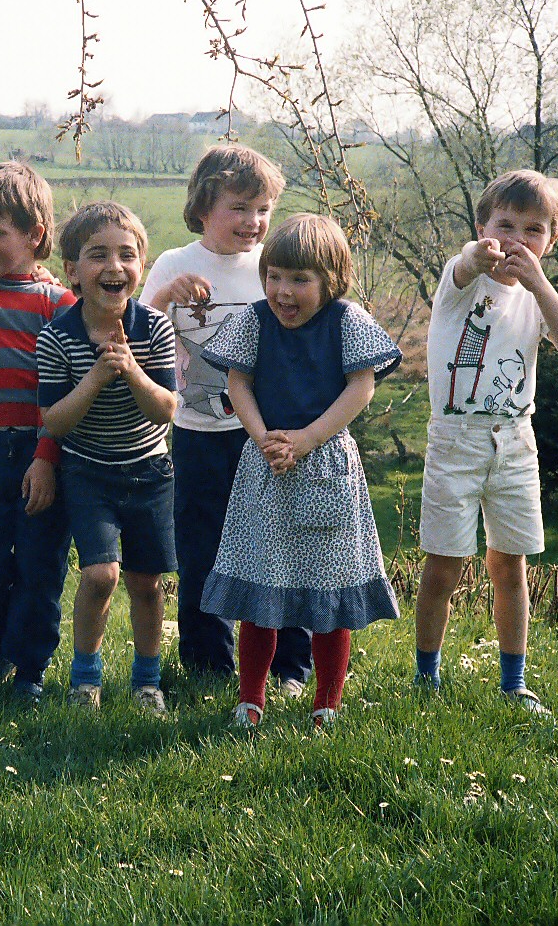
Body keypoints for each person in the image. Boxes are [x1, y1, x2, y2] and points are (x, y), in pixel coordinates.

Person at [201, 213, 402, 728]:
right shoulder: (252, 320)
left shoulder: (347, 320)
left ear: (331, 281)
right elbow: (238, 384)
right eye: (274, 276)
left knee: (330, 596)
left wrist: (309, 438)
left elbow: (362, 387)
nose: (283, 291)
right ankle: (250, 699)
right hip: (264, 468)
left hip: (326, 466)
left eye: (299, 280)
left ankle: (326, 703)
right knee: (258, 589)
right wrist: (262, 436)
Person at [414, 170, 558, 714]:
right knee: (444, 564)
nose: (517, 239)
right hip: (456, 440)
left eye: (534, 230)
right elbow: (466, 262)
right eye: (505, 225)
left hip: (515, 442)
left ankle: (513, 681)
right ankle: (427, 675)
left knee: (509, 565)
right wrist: (477, 254)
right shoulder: (460, 280)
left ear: (551, 241)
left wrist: (540, 283)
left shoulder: (538, 295)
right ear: (482, 227)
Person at [140, 143, 311, 693]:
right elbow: (139, 334)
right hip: (194, 436)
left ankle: (290, 665)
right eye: (239, 207)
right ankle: (207, 666)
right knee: (201, 549)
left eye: (263, 208)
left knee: (279, 546)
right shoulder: (174, 263)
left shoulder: (271, 269)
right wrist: (167, 294)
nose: (253, 221)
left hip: (261, 434)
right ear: (202, 205)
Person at [38, 201, 178, 714]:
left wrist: (132, 371)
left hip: (150, 471)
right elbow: (54, 421)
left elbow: (164, 409)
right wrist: (95, 378)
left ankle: (147, 682)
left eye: (127, 254)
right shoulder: (57, 337)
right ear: (72, 271)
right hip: (88, 472)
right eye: (98, 256)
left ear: (141, 265)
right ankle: (84, 680)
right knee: (100, 576)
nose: (114, 267)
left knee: (147, 582)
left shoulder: (155, 328)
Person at [0, 162, 75, 703]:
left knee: (38, 566)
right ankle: (1, 647)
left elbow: (66, 390)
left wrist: (47, 457)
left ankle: (29, 669)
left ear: (35, 235)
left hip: (39, 451)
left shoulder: (56, 305)